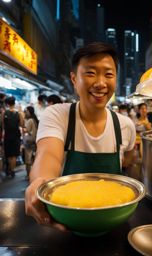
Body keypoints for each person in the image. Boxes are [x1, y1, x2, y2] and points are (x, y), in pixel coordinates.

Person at [25, 41, 136, 230]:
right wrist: (39, 183)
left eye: (109, 74)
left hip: (112, 221)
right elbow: (48, 155)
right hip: (65, 221)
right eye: (90, 73)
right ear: (74, 79)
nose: (100, 83)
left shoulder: (125, 125)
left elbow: (128, 162)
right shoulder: (58, 115)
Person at [2, 96, 24, 177]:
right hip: (16, 136)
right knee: (14, 154)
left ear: (7, 104)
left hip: (7, 135)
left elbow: (3, 126)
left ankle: (9, 169)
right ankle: (12, 170)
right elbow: (22, 125)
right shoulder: (18, 113)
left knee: (9, 154)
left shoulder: (4, 113)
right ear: (14, 103)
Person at [23, 106, 39, 180]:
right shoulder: (35, 120)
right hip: (34, 141)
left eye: (26, 111)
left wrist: (22, 129)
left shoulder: (30, 121)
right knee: (34, 159)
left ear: (29, 112)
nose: (25, 113)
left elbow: (26, 130)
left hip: (29, 142)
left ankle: (29, 175)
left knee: (28, 160)